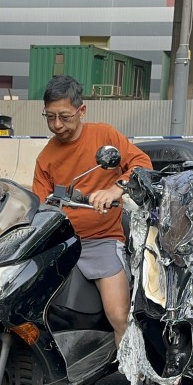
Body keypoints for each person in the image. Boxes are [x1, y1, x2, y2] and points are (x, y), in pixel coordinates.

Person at [32, 75, 152, 348]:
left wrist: (115, 189)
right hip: (60, 243)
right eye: (50, 117)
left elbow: (142, 163)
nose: (57, 125)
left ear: (81, 110)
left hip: (101, 240)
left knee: (119, 315)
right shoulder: (46, 158)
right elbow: (38, 207)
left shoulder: (104, 136)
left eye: (64, 116)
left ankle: (132, 383)